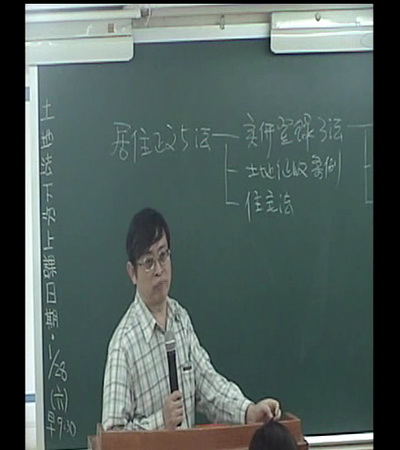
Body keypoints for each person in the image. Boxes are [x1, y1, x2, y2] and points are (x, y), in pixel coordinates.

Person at [102, 207, 281, 431]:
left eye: (163, 256)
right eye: (148, 262)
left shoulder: (180, 319)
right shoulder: (123, 345)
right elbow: (113, 436)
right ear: (132, 273)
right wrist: (160, 421)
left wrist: (248, 412)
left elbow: (208, 385)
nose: (159, 270)